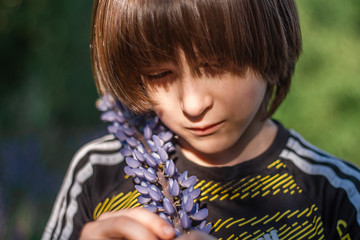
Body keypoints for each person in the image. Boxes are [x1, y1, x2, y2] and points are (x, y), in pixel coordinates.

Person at [42, 0, 360, 239]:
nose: (193, 104)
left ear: (269, 40)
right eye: (160, 74)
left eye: (215, 65)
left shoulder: (336, 193)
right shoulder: (98, 171)